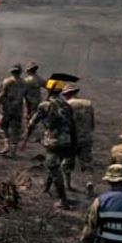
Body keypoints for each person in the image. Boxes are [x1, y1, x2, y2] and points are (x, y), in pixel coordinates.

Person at [25, 78, 77, 209]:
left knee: (53, 168)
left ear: (49, 90)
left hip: (53, 141)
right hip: (66, 141)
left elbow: (33, 122)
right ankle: (46, 189)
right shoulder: (67, 105)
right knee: (54, 164)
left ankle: (63, 200)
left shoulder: (45, 105)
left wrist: (28, 132)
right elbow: (72, 125)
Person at [61, 84, 95, 190]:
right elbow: (92, 123)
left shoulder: (66, 105)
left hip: (71, 139)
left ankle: (68, 184)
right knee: (86, 162)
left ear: (66, 94)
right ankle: (89, 182)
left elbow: (63, 123)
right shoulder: (88, 103)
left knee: (67, 163)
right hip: (86, 137)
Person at [0, 64, 25, 157]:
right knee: (15, 129)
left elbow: (0, 96)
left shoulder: (7, 82)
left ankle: (7, 144)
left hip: (7, 109)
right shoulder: (24, 83)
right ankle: (14, 147)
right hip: (18, 110)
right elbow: (27, 98)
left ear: (11, 72)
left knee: (3, 126)